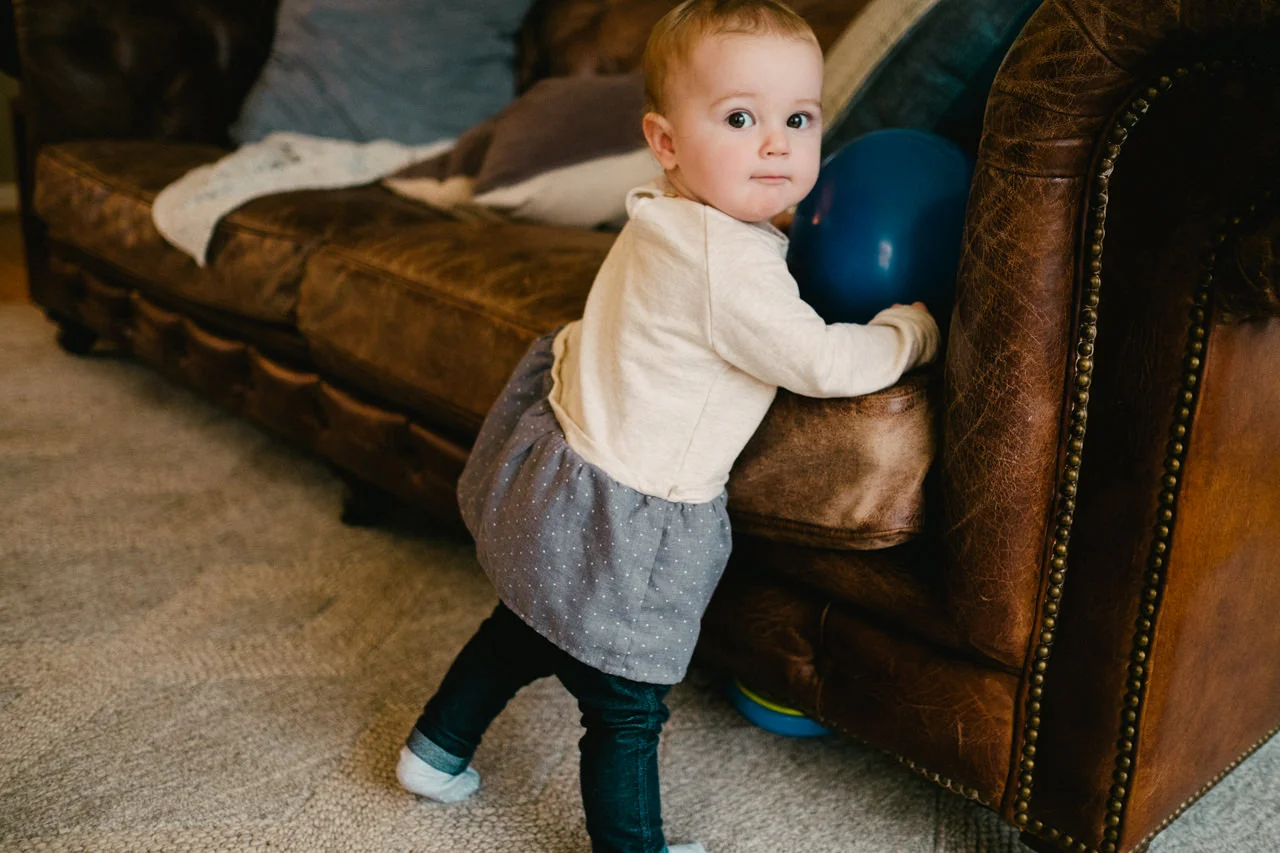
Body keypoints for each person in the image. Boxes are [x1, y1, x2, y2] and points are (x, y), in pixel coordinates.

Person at [396, 1, 940, 851]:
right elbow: (823, 363)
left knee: (523, 625)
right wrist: (908, 332)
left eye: (799, 120)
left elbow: (718, 274)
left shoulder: (661, 209)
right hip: (630, 515)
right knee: (626, 703)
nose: (776, 144)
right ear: (666, 140)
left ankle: (433, 751)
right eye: (740, 119)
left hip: (564, 468)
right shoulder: (731, 268)